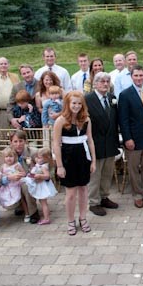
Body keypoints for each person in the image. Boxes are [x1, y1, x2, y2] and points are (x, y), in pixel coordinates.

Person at [53, 91, 97, 236]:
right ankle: (70, 220)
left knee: (83, 189)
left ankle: (83, 218)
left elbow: (90, 140)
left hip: (83, 157)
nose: (76, 106)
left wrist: (93, 161)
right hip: (68, 159)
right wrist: (60, 165)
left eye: (79, 103)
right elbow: (56, 144)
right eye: (73, 103)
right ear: (68, 104)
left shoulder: (86, 119)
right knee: (71, 193)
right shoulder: (60, 121)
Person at [118, 65, 143, 208]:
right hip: (133, 138)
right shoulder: (125, 95)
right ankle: (137, 195)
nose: (139, 78)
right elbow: (123, 119)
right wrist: (127, 138)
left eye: (141, 75)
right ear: (131, 77)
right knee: (134, 168)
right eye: (136, 75)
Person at [85, 72, 120, 216]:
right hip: (96, 142)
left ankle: (104, 197)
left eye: (107, 81)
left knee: (107, 173)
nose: (105, 84)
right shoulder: (87, 99)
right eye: (102, 81)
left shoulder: (112, 98)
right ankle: (94, 202)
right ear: (95, 83)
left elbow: (115, 120)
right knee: (95, 175)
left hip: (110, 142)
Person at [0, 130, 40, 223]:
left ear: (25, 141)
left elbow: (42, 167)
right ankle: (20, 206)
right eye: (15, 141)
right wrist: (9, 178)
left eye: (21, 141)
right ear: (11, 142)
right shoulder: (5, 154)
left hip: (30, 180)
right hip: (11, 183)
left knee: (25, 186)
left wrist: (32, 173)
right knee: (15, 187)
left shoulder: (33, 152)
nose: (18, 144)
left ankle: (33, 212)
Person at [22, 148, 57, 225]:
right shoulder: (40, 165)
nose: (37, 159)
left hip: (42, 186)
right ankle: (46, 214)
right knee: (42, 202)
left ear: (46, 158)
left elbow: (47, 176)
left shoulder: (43, 167)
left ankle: (46, 218)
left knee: (43, 203)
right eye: (37, 157)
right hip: (39, 185)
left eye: (39, 157)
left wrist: (40, 176)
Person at [7, 64, 38, 129]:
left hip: (38, 120)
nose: (27, 75)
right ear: (21, 75)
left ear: (33, 72)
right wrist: (12, 119)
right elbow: (10, 104)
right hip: (21, 122)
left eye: (28, 72)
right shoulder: (16, 87)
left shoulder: (41, 85)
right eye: (24, 73)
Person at [0, 147, 25, 213]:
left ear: (14, 157)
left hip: (15, 184)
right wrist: (5, 176)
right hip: (7, 185)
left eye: (11, 156)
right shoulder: (3, 166)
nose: (9, 158)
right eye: (7, 157)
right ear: (4, 158)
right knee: (3, 196)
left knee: (17, 195)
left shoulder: (17, 165)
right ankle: (7, 205)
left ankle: (21, 208)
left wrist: (20, 175)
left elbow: (24, 173)